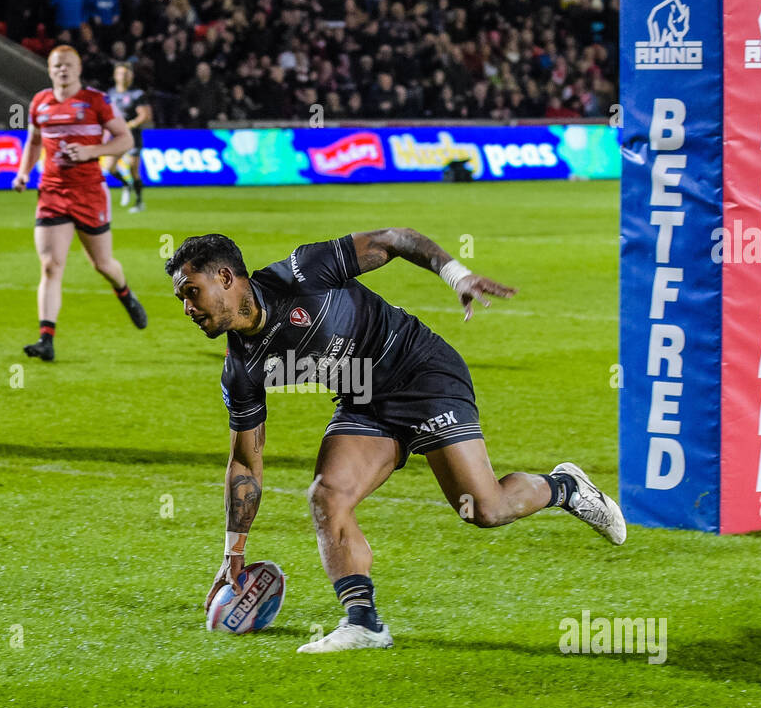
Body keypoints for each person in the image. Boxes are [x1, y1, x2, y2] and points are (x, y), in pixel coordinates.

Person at [167, 229, 627, 654]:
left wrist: (456, 273)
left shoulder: (304, 271)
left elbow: (394, 239)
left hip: (422, 372)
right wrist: (234, 553)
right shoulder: (241, 369)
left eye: (192, 293)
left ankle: (566, 488)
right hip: (365, 401)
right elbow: (246, 462)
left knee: (485, 509)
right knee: (328, 496)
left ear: (226, 277)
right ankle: (363, 622)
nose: (188, 309)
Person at [12, 45, 147, 362]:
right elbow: (33, 141)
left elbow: (125, 138)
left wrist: (89, 152)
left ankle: (125, 292)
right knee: (50, 265)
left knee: (102, 264)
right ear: (49, 69)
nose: (62, 69)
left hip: (89, 192)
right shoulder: (40, 102)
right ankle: (47, 338)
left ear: (78, 68)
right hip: (52, 192)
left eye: (68, 65)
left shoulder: (95, 101)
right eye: (57, 65)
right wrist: (22, 173)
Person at [102, 62, 152, 213]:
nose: (123, 77)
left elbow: (145, 115)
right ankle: (126, 184)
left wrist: (130, 124)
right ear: (115, 76)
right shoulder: (110, 93)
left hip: (133, 136)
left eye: (126, 74)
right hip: (116, 137)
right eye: (120, 74)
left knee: (133, 169)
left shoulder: (137, 94)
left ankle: (139, 202)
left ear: (131, 76)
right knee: (109, 167)